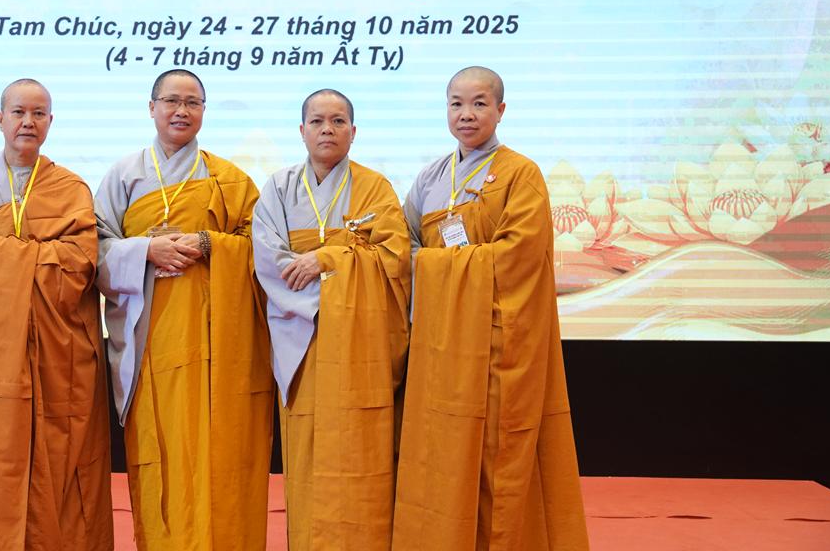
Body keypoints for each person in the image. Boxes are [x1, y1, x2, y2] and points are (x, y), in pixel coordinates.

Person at [393, 67, 589, 551]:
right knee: (441, 448)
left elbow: (518, 256)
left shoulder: (521, 174)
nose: (467, 114)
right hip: (440, 342)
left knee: (496, 454)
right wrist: (430, 264)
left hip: (498, 342)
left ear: (500, 111)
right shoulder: (431, 178)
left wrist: (435, 264)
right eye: (456, 104)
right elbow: (404, 246)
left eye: (479, 103)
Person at [95, 69, 274, 550]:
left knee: (219, 453)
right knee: (164, 452)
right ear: (151, 107)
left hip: (216, 347)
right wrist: (144, 251)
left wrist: (210, 244)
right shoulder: (124, 175)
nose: (181, 111)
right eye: (171, 101)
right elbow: (93, 249)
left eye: (192, 103)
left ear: (203, 112)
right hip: (151, 341)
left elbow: (262, 249)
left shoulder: (229, 180)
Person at [0, 79, 113, 551]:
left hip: (57, 351)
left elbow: (80, 262)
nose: (28, 122)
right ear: (1, 119)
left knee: (60, 453)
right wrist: (35, 256)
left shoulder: (71, 188)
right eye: (18, 112)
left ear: (50, 122)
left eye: (38, 114)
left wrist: (0, 254)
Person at [252, 89, 410, 550]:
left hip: (360, 344)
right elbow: (268, 259)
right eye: (318, 121)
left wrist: (327, 260)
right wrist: (327, 291)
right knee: (306, 451)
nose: (328, 129)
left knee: (361, 449)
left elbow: (395, 257)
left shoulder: (376, 188)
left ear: (353, 132)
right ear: (302, 130)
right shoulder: (279, 188)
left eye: (338, 121)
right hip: (299, 338)